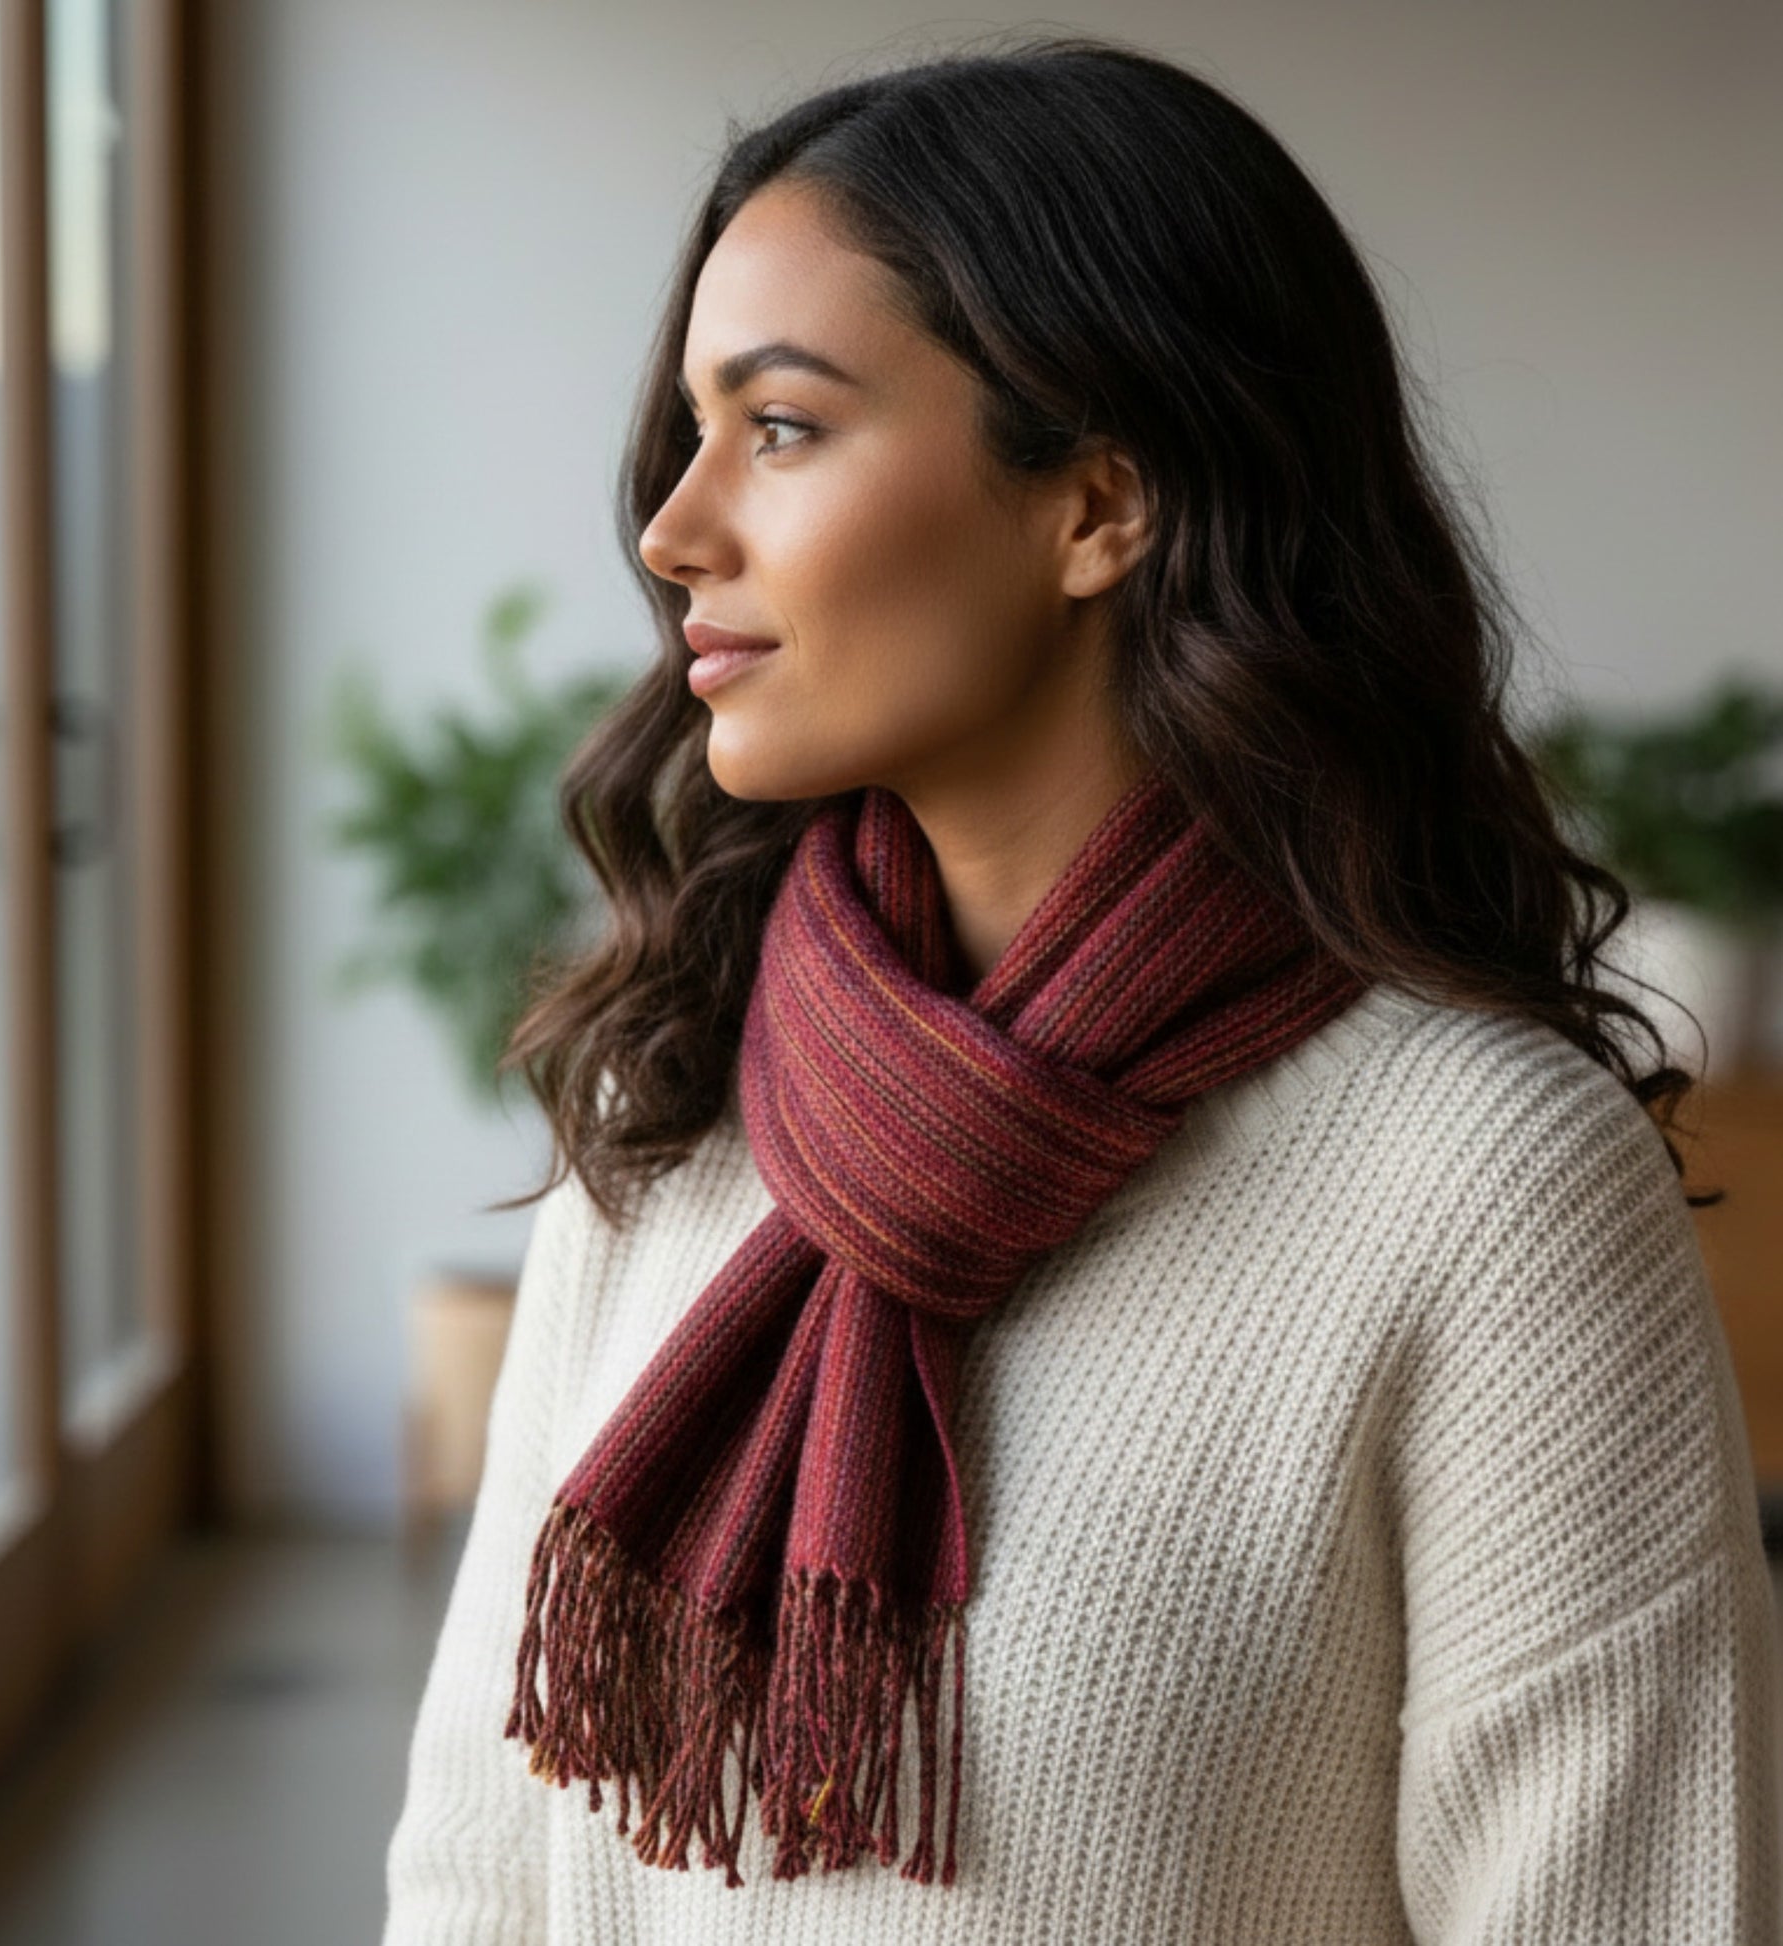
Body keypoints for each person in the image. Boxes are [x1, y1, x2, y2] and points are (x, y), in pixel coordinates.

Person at [382, 32, 1778, 1945]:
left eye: (780, 427)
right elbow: (476, 1873)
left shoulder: (1483, 1191)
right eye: (690, 432)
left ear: (1097, 506)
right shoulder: (681, 1106)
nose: (672, 527)